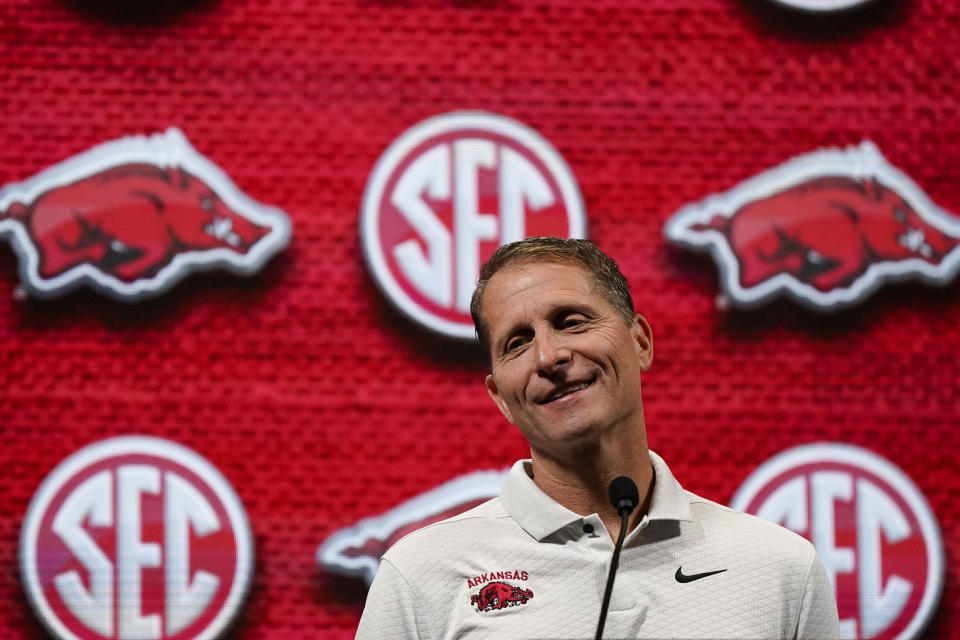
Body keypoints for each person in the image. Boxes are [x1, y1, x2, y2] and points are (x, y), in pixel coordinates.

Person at [355, 237, 840, 639]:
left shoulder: (780, 568)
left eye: (571, 321)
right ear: (499, 395)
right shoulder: (420, 575)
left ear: (641, 342)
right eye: (517, 343)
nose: (548, 356)